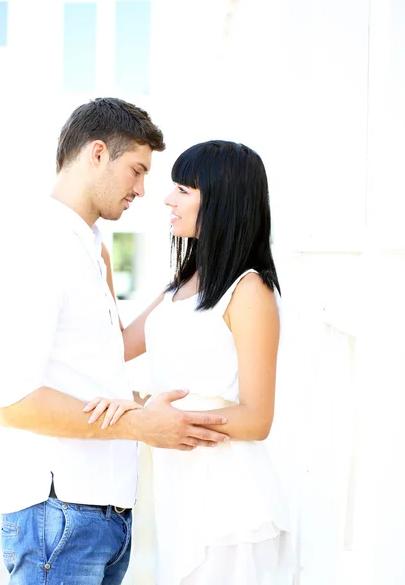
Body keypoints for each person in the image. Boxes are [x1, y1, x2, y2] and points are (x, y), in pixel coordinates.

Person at [0, 99, 230, 585]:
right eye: (137, 170)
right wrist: (142, 424)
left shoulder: (89, 245)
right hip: (59, 514)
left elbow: (101, 356)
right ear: (97, 154)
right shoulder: (42, 243)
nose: (143, 190)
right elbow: (14, 401)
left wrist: (204, 273)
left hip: (102, 510)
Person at [86, 140, 293, 584]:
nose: (166, 198)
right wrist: (98, 261)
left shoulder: (249, 290)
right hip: (181, 492)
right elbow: (117, 344)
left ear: (220, 202)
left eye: (183, 189)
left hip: (231, 506)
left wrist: (163, 418)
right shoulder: (182, 283)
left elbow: (257, 419)